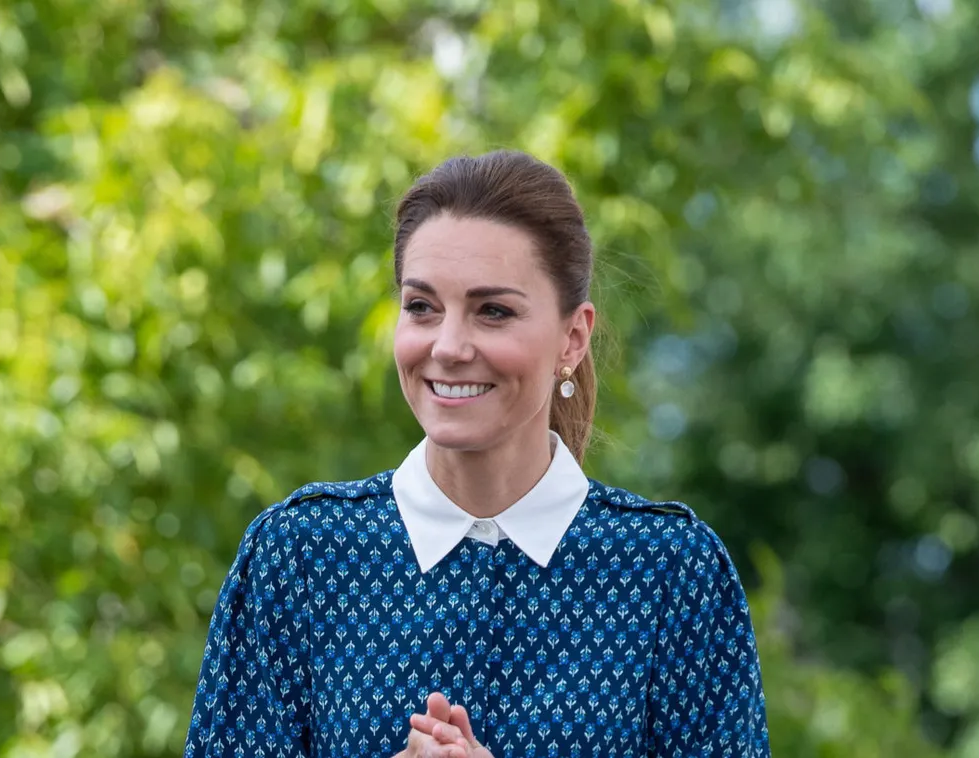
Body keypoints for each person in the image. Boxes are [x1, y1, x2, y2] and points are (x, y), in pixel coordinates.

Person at [184, 151, 769, 757]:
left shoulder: (673, 574)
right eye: (421, 307)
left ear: (573, 337)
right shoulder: (298, 558)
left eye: (493, 311)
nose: (449, 346)